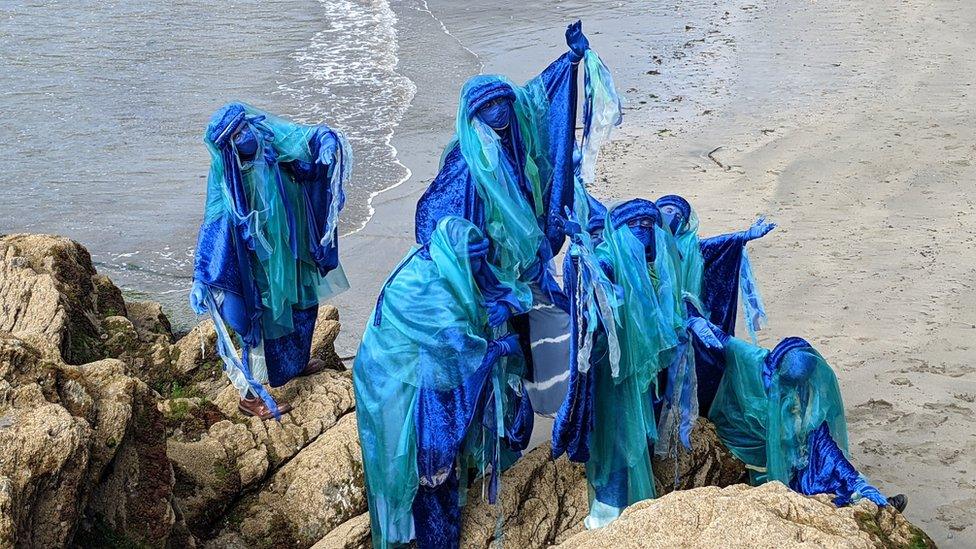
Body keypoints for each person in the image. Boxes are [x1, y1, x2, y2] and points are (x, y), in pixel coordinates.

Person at [414, 21, 622, 417]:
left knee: (538, 319)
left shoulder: (519, 126)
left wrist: (573, 60)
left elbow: (542, 96)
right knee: (503, 329)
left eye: (501, 103)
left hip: (527, 260)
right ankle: (512, 405)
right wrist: (458, 253)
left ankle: (545, 397)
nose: (498, 112)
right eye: (488, 107)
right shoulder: (465, 160)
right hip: (490, 263)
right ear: (474, 115)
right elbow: (432, 211)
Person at [354, 216, 526, 549]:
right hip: (392, 382)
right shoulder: (426, 287)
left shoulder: (435, 260)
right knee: (413, 459)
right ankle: (420, 534)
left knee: (426, 457)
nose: (478, 269)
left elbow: (480, 290)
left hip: (410, 371)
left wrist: (502, 303)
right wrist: (502, 346)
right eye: (472, 262)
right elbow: (460, 346)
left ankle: (425, 527)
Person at [553, 199, 722, 528]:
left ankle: (621, 505)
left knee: (630, 439)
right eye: (636, 226)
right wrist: (581, 252)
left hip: (635, 375)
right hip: (611, 372)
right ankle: (606, 511)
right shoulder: (610, 258)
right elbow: (591, 278)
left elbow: (665, 314)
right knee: (617, 440)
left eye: (650, 225)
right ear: (620, 230)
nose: (645, 232)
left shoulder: (650, 268)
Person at [190, 102, 351, 419]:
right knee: (261, 321)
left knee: (301, 303)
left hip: (291, 244)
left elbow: (302, 138)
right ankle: (250, 396)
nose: (244, 136)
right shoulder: (225, 172)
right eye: (235, 135)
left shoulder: (267, 135)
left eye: (243, 128)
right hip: (258, 262)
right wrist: (202, 274)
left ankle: (294, 362)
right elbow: (213, 222)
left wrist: (325, 141)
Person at [708, 330, 908, 511]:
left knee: (830, 457)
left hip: (798, 441)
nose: (796, 389)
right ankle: (855, 500)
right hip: (753, 441)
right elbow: (726, 341)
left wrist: (858, 483)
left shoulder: (804, 392)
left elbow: (821, 439)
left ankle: (866, 495)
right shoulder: (757, 363)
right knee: (809, 476)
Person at [654, 194, 775, 415]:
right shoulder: (640, 240)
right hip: (649, 316)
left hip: (683, 315)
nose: (671, 217)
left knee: (708, 351)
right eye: (668, 210)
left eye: (678, 215)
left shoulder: (690, 247)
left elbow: (719, 245)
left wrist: (745, 236)